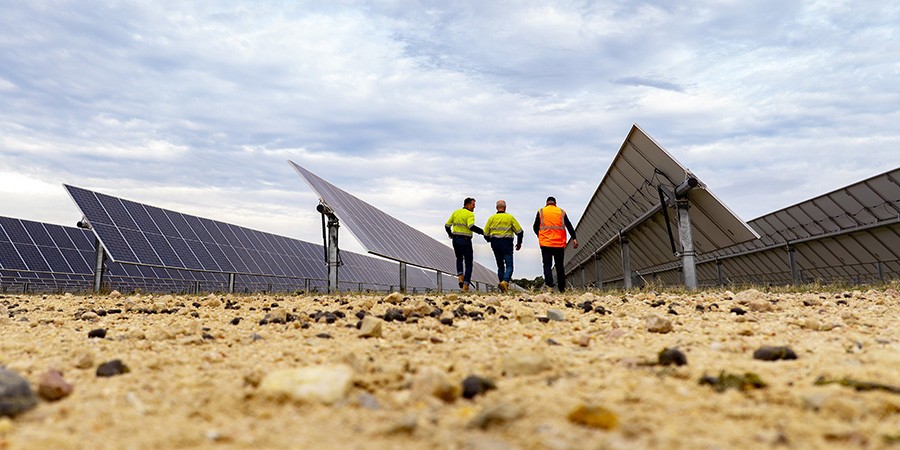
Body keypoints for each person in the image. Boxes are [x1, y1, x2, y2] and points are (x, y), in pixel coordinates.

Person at [533, 196, 577, 292]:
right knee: (559, 266)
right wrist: (574, 238)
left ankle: (550, 287)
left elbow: (535, 227)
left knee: (547, 265)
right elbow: (569, 226)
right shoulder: (561, 212)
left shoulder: (541, 212)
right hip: (559, 244)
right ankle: (562, 289)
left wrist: (540, 235)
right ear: (555, 203)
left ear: (546, 203)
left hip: (545, 243)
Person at [483, 200, 524, 293]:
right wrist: (519, 243)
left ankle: (503, 289)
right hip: (507, 243)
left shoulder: (491, 218)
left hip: (495, 244)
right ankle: (505, 282)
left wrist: (489, 240)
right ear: (505, 207)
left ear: (496, 207)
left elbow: (485, 233)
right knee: (509, 266)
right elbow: (520, 232)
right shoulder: (510, 218)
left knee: (500, 266)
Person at [445, 197, 484, 292]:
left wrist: (450, 234)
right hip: (466, 240)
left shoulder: (456, 212)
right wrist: (482, 232)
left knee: (459, 259)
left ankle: (460, 276)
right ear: (467, 204)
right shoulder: (470, 214)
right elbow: (471, 226)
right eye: (473, 204)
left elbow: (447, 225)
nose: (474, 207)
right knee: (468, 263)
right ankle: (465, 286)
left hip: (455, 240)